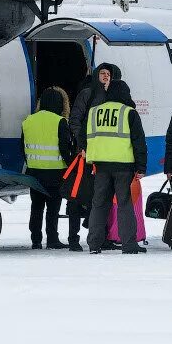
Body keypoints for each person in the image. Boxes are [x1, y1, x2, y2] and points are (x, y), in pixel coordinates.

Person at [84, 79, 148, 254]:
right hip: (123, 166)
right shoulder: (129, 113)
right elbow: (138, 142)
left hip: (101, 167)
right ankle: (129, 245)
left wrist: (92, 160)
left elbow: (88, 137)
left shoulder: (94, 112)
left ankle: (94, 245)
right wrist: (141, 167)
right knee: (125, 205)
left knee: (99, 205)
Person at [68, 62, 121, 249]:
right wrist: (83, 146)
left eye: (109, 74)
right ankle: (73, 239)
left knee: (102, 197)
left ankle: (101, 237)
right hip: (85, 155)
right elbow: (74, 120)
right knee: (76, 196)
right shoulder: (87, 94)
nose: (106, 76)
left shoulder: (115, 96)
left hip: (105, 156)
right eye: (103, 73)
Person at [22, 87, 75, 249]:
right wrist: (71, 165)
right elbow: (64, 148)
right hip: (55, 173)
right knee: (52, 208)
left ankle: (36, 240)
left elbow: (22, 147)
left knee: (36, 207)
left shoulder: (28, 121)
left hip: (34, 173)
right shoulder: (60, 122)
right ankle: (52, 239)